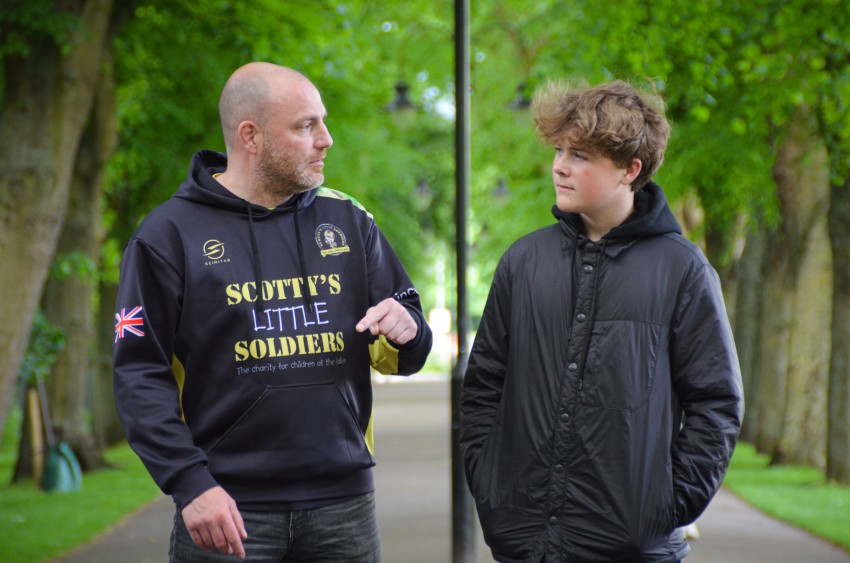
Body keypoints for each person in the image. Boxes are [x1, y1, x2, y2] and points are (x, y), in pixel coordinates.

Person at [113, 62, 433, 562]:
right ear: (251, 136)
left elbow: (404, 344)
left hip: (343, 505)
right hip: (226, 509)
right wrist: (189, 484)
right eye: (306, 126)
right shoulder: (168, 235)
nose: (326, 139)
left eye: (323, 122)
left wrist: (409, 332)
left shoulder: (348, 219)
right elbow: (138, 374)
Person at [460, 79, 743, 562]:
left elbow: (715, 402)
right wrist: (490, 486)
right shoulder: (523, 262)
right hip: (526, 544)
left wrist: (666, 507)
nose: (559, 166)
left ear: (630, 170)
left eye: (580, 156)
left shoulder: (683, 271)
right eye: (559, 150)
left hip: (634, 547)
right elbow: (484, 384)